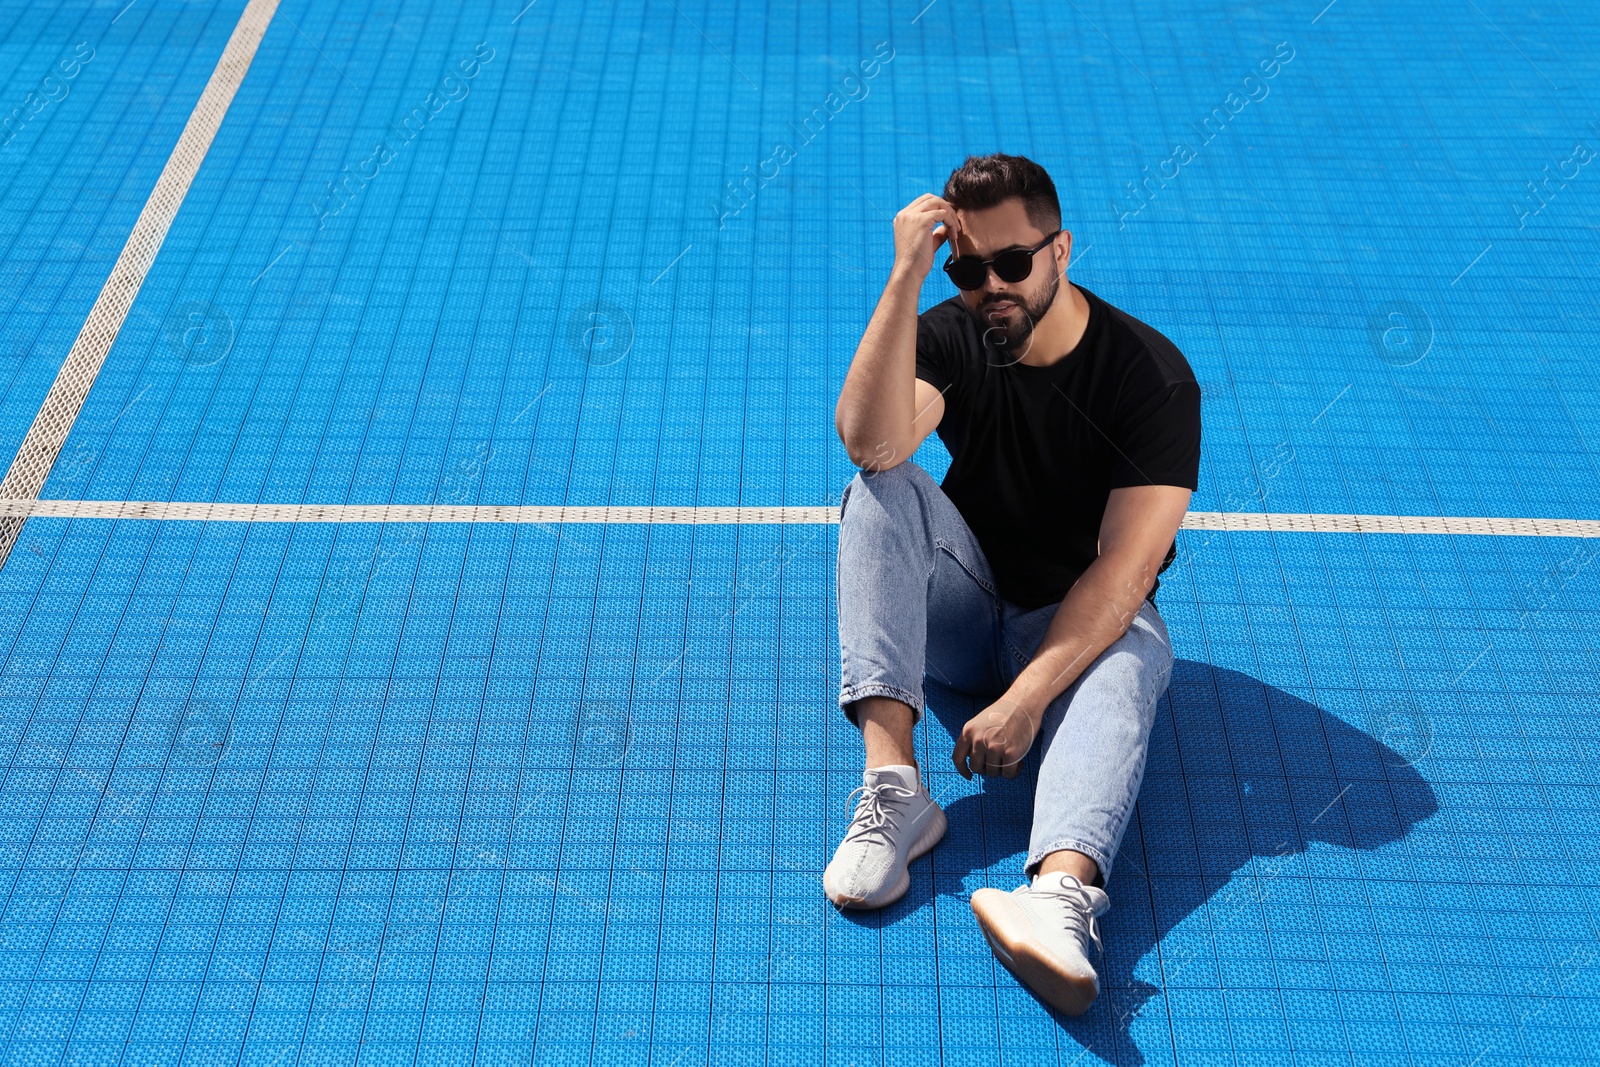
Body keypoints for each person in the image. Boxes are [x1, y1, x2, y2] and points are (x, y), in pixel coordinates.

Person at [827, 153, 1201, 1016]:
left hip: (1060, 637)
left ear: (1062, 250)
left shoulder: (1150, 375)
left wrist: (1029, 700)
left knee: (1138, 632)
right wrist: (903, 280)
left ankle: (1060, 901)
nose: (989, 284)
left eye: (1012, 263)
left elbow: (1125, 568)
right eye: (967, 267)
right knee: (881, 487)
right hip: (961, 615)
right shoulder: (956, 331)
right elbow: (869, 442)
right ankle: (895, 791)